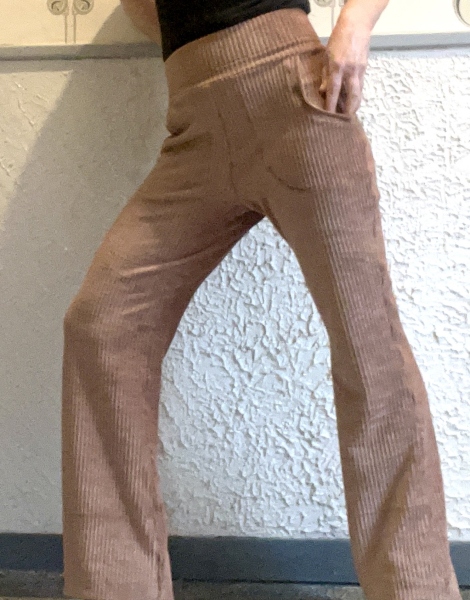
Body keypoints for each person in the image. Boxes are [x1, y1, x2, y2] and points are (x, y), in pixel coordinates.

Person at [60, 0, 462, 599]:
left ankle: (417, 589)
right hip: (192, 121)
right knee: (101, 326)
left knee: (369, 347)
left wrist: (355, 27)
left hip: (294, 93)